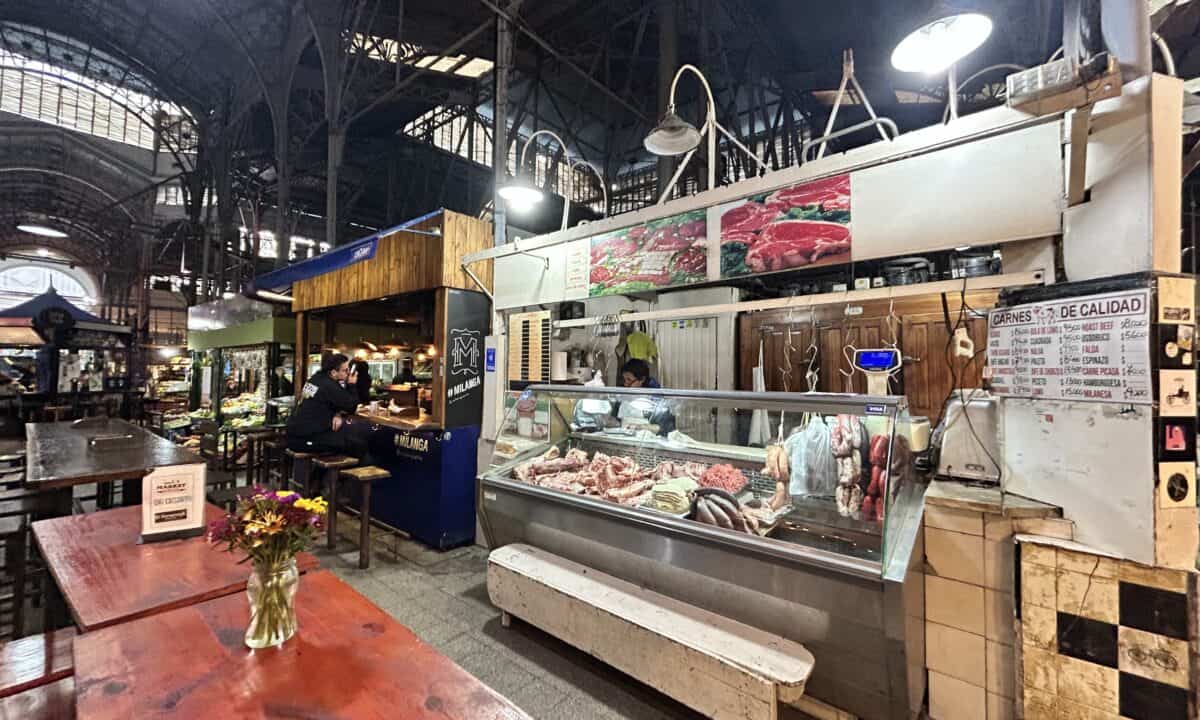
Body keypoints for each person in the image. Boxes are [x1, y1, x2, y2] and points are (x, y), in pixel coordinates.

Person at [285, 353, 367, 457]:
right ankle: (333, 472)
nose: (348, 373)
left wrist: (337, 414)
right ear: (333, 372)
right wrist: (351, 384)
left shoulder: (315, 379)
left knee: (345, 440)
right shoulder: (329, 385)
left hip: (294, 435)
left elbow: (328, 402)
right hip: (305, 439)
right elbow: (351, 406)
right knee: (357, 445)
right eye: (345, 370)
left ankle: (323, 472)